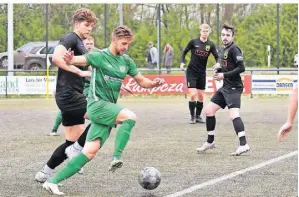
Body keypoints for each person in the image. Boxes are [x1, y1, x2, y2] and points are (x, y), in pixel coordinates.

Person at [42, 25, 165, 195]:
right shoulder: (99, 56)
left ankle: (52, 181)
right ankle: (116, 157)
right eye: (123, 43)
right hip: (97, 106)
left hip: (107, 110)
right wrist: (70, 59)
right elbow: (77, 60)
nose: (125, 47)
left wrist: (154, 83)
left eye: (128, 44)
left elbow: (142, 81)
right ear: (114, 40)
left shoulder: (126, 61)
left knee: (89, 152)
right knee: (130, 117)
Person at [35, 8, 97, 183]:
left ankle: (45, 172)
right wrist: (79, 71)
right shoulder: (70, 38)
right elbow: (56, 58)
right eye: (87, 25)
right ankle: (76, 150)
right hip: (68, 95)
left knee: (71, 142)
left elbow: (91, 67)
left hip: (71, 95)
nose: (89, 29)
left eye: (91, 26)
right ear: (77, 23)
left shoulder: (81, 43)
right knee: (102, 117)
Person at [196, 24, 250, 156]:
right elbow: (225, 66)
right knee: (209, 110)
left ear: (232, 36)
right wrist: (217, 69)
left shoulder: (234, 49)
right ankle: (210, 142)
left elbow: (241, 68)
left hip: (233, 88)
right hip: (225, 87)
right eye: (223, 35)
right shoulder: (222, 49)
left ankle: (244, 144)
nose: (225, 37)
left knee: (233, 115)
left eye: (228, 35)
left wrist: (223, 75)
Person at [48, 36, 96, 137]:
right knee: (69, 109)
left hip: (87, 86)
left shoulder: (92, 55)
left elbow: (92, 71)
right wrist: (57, 88)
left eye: (91, 44)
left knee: (88, 108)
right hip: (74, 87)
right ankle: (54, 129)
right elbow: (62, 69)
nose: (89, 46)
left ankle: (84, 132)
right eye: (87, 44)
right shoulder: (74, 55)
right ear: (82, 45)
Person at [180, 24, 219, 124]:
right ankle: (192, 117)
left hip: (202, 73)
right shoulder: (194, 42)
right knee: (193, 94)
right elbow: (184, 52)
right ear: (200, 31)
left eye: (206, 31)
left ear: (209, 32)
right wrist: (182, 62)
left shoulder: (210, 44)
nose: (204, 33)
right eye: (203, 31)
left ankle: (198, 116)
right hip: (191, 71)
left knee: (201, 96)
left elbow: (217, 56)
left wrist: (218, 63)